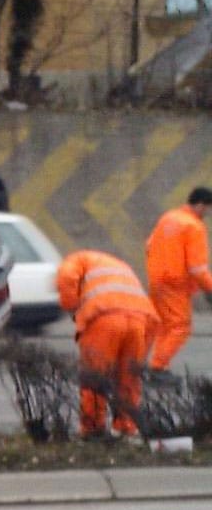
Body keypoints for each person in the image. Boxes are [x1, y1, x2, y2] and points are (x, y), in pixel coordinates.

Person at [56, 250, 159, 440]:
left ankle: (93, 429)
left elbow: (67, 277)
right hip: (139, 321)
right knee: (128, 378)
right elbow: (153, 320)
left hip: (103, 319)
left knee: (95, 377)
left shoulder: (76, 259)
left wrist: (71, 306)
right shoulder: (120, 266)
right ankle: (126, 427)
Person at [145, 185, 212, 380]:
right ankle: (157, 368)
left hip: (157, 280)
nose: (208, 213)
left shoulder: (168, 217)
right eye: (208, 208)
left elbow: (149, 246)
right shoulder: (194, 227)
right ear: (200, 205)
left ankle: (145, 366)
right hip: (175, 284)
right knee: (180, 326)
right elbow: (197, 268)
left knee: (163, 326)